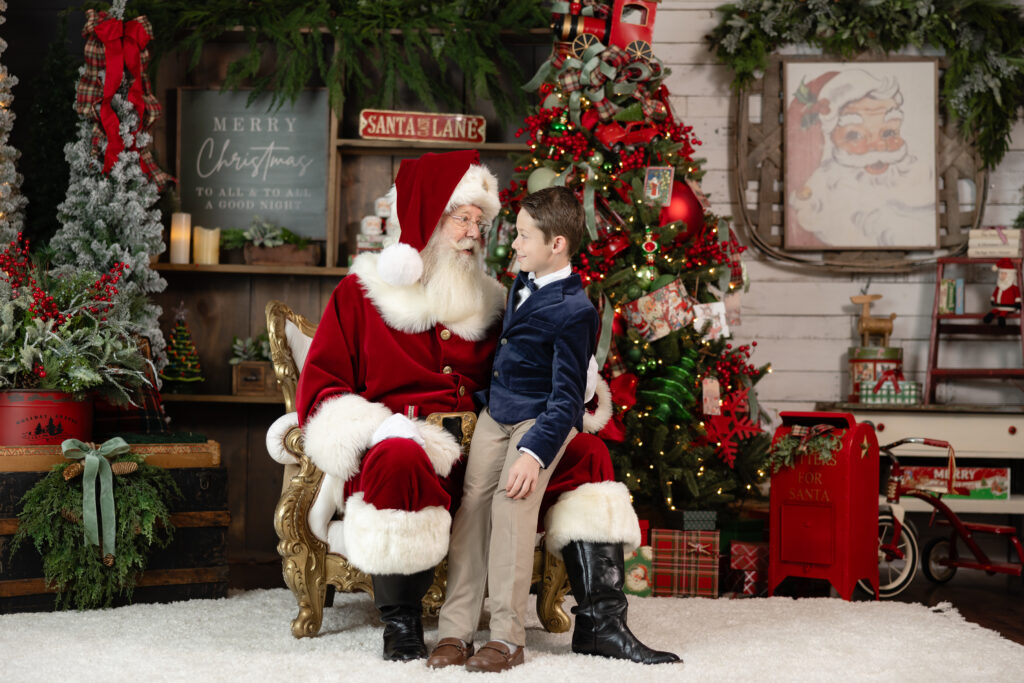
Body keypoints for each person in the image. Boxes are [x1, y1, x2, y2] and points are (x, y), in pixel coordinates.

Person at [294, 150, 676, 665]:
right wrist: (383, 430)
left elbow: (533, 374)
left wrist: (569, 406)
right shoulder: (361, 295)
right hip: (414, 452)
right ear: (429, 219)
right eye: (462, 218)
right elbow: (323, 390)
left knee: (587, 453)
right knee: (398, 459)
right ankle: (401, 623)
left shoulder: (498, 298)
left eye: (480, 221)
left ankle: (600, 622)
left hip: (492, 443)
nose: (475, 232)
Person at [430, 187, 663, 673]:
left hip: (540, 421)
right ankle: (455, 631)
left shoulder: (576, 311)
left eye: (522, 237)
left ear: (556, 244)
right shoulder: (522, 281)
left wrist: (534, 454)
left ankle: (507, 637)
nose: (512, 245)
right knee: (472, 506)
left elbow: (567, 399)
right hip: (498, 412)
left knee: (512, 506)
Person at [786, 68, 936, 249]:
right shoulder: (822, 190)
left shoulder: (918, 179)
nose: (879, 147)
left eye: (888, 132)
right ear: (832, 137)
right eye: (855, 136)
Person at [983, 258, 1021, 325]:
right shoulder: (999, 285)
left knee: (1003, 311)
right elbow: (995, 292)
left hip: (1009, 305)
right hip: (999, 305)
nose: (1002, 276)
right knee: (995, 310)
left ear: (1010, 275)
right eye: (1001, 273)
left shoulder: (1013, 286)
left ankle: (1001, 319)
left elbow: (1017, 294)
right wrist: (992, 298)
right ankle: (990, 316)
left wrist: (1018, 302)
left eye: (1004, 274)